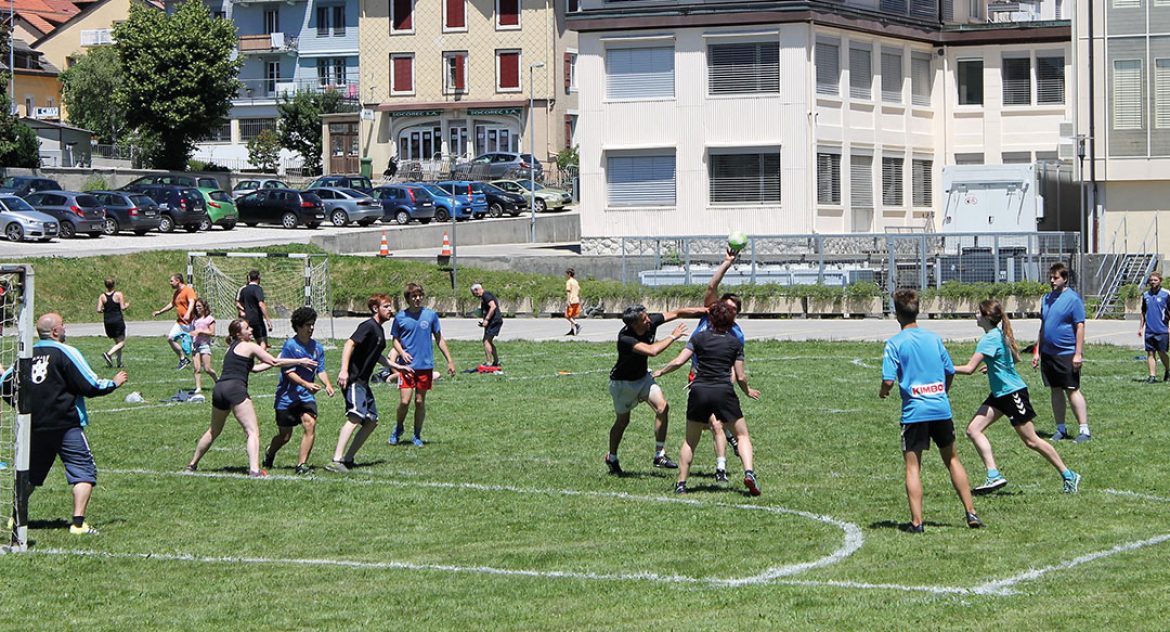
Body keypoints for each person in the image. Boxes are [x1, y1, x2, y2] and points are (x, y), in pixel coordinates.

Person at [0, 313, 127, 535]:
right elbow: (90, 385)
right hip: (65, 424)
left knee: (30, 473)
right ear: (56, 332)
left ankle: (16, 518)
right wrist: (113, 383)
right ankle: (78, 524)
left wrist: (21, 405)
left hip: (35, 425)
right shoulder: (66, 352)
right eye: (63, 325)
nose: (66, 328)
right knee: (84, 471)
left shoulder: (26, 354)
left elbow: (5, 383)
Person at [954, 299, 1082, 495]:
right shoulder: (997, 334)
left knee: (1032, 441)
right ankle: (993, 474)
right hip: (999, 394)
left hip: (1012, 394)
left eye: (978, 313)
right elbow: (1014, 357)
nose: (975, 316)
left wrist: (945, 367)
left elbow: (969, 369)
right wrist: (994, 364)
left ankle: (1069, 475)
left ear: (987, 317)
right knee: (973, 430)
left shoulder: (989, 338)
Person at [879, 289, 982, 533]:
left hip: (915, 412)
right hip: (940, 409)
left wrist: (883, 392)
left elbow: (888, 381)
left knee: (913, 467)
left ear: (897, 314)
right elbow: (949, 371)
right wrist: (943, 392)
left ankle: (917, 522)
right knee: (952, 459)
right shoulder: (934, 338)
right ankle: (971, 512)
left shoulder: (895, 343)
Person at [654, 302, 762, 496]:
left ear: (710, 319)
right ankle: (749, 472)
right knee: (742, 436)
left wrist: (662, 371)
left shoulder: (699, 338)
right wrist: (746, 391)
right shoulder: (735, 342)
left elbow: (679, 361)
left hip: (699, 390)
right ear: (731, 321)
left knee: (690, 441)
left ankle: (681, 484)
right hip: (723, 392)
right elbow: (741, 376)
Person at [185, 319, 315, 477]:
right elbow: (273, 361)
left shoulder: (231, 348)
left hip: (219, 389)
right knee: (252, 431)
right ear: (239, 334)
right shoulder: (249, 346)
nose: (251, 330)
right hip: (235, 390)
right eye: (247, 328)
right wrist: (299, 361)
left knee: (214, 430)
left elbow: (254, 368)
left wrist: (280, 358)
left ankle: (192, 464)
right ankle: (254, 470)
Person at [604, 303, 705, 475]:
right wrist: (673, 337)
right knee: (622, 422)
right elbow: (652, 351)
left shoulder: (650, 322)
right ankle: (612, 457)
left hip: (643, 378)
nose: (649, 320)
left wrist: (705, 311)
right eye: (644, 319)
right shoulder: (625, 338)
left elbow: (677, 312)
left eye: (647, 316)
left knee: (663, 407)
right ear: (635, 324)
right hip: (623, 384)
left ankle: (660, 455)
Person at [691, 248, 747, 484]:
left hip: (720, 381)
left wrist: (729, 382)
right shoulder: (708, 315)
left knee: (715, 423)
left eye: (734, 309)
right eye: (726, 306)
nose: (727, 310)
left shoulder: (736, 334)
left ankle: (721, 468)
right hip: (697, 376)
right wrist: (726, 263)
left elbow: (736, 367)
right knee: (708, 425)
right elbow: (711, 288)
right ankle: (729, 441)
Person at [326, 294, 400, 473]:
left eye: (390, 307)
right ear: (376, 309)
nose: (390, 310)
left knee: (371, 421)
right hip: (353, 379)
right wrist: (344, 370)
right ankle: (336, 460)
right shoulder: (368, 326)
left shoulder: (379, 330)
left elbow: (376, 356)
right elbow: (349, 344)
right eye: (386, 306)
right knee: (356, 416)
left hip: (363, 383)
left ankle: (348, 459)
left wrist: (398, 367)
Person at [265, 306, 335, 475]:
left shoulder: (317, 348)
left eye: (313, 324)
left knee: (310, 424)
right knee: (285, 436)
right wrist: (306, 384)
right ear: (298, 326)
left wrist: (328, 384)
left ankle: (301, 465)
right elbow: (288, 373)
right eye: (307, 325)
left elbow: (321, 370)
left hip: (305, 397)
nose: (311, 328)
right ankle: (270, 452)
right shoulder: (290, 346)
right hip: (286, 398)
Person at [389, 283, 457, 447]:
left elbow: (439, 338)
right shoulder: (400, 317)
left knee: (420, 401)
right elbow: (395, 339)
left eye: (420, 296)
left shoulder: (430, 315)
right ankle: (398, 428)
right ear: (408, 299)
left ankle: (417, 435)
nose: (417, 299)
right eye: (414, 296)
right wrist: (402, 352)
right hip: (406, 367)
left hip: (425, 366)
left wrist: (449, 360)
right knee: (405, 402)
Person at [1033, 262, 1092, 443]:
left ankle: (1084, 430)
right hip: (1048, 353)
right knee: (1055, 390)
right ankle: (1060, 429)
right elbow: (1043, 326)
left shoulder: (1073, 299)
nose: (1052, 280)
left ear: (1065, 279)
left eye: (1055, 277)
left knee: (1072, 390)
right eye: (1050, 277)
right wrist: (1037, 351)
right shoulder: (1046, 299)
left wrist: (1078, 353)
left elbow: (1080, 326)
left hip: (1066, 352)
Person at [152, 273, 196, 370]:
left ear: (178, 281)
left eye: (171, 281)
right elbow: (172, 304)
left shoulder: (188, 290)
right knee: (170, 339)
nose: (170, 283)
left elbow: (192, 301)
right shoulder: (177, 292)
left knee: (193, 347)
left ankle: (198, 366)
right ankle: (182, 359)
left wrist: (188, 313)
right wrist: (159, 312)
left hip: (190, 324)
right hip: (180, 323)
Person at [1138, 271, 1170, 384]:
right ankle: (1152, 376)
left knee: (1162, 352)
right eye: (1151, 280)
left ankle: (1168, 369)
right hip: (1149, 330)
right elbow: (1143, 312)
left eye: (1155, 280)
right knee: (1150, 353)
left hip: (1162, 329)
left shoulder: (1166, 294)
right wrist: (1141, 328)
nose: (1153, 282)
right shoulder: (1146, 295)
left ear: (1160, 281)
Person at [189, 298, 219, 397]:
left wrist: (201, 331)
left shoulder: (209, 319)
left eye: (199, 306)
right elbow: (192, 332)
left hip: (204, 345)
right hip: (195, 345)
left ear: (204, 307)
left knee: (207, 369)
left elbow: (212, 333)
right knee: (197, 368)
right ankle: (198, 388)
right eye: (196, 306)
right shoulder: (194, 320)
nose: (197, 308)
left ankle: (218, 382)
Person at [236, 270, 273, 349]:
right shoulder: (258, 289)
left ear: (249, 278)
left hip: (246, 319)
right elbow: (261, 304)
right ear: (259, 278)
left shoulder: (244, 289)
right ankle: (262, 360)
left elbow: (238, 303)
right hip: (257, 319)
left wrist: (244, 310)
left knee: (245, 342)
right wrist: (268, 319)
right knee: (262, 342)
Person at [97, 277, 128, 369]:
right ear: (114, 284)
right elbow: (122, 307)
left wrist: (105, 309)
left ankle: (119, 363)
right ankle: (108, 354)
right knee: (122, 342)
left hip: (107, 321)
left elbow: (98, 309)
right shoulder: (118, 294)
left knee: (117, 342)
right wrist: (127, 305)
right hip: (117, 320)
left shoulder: (102, 296)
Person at [471, 283, 502, 367]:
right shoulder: (484, 297)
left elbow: (493, 306)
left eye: (474, 293)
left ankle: (489, 362)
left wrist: (487, 319)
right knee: (489, 341)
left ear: (477, 290)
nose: (474, 295)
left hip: (494, 321)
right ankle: (496, 362)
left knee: (486, 341)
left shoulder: (486, 295)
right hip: (492, 321)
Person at [564, 268, 582, 336]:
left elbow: (568, 291)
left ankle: (577, 325)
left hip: (572, 300)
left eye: (566, 274)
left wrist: (568, 300)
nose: (566, 275)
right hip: (576, 300)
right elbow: (579, 290)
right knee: (572, 316)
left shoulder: (569, 282)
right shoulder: (576, 281)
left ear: (569, 274)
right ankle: (572, 330)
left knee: (567, 316)